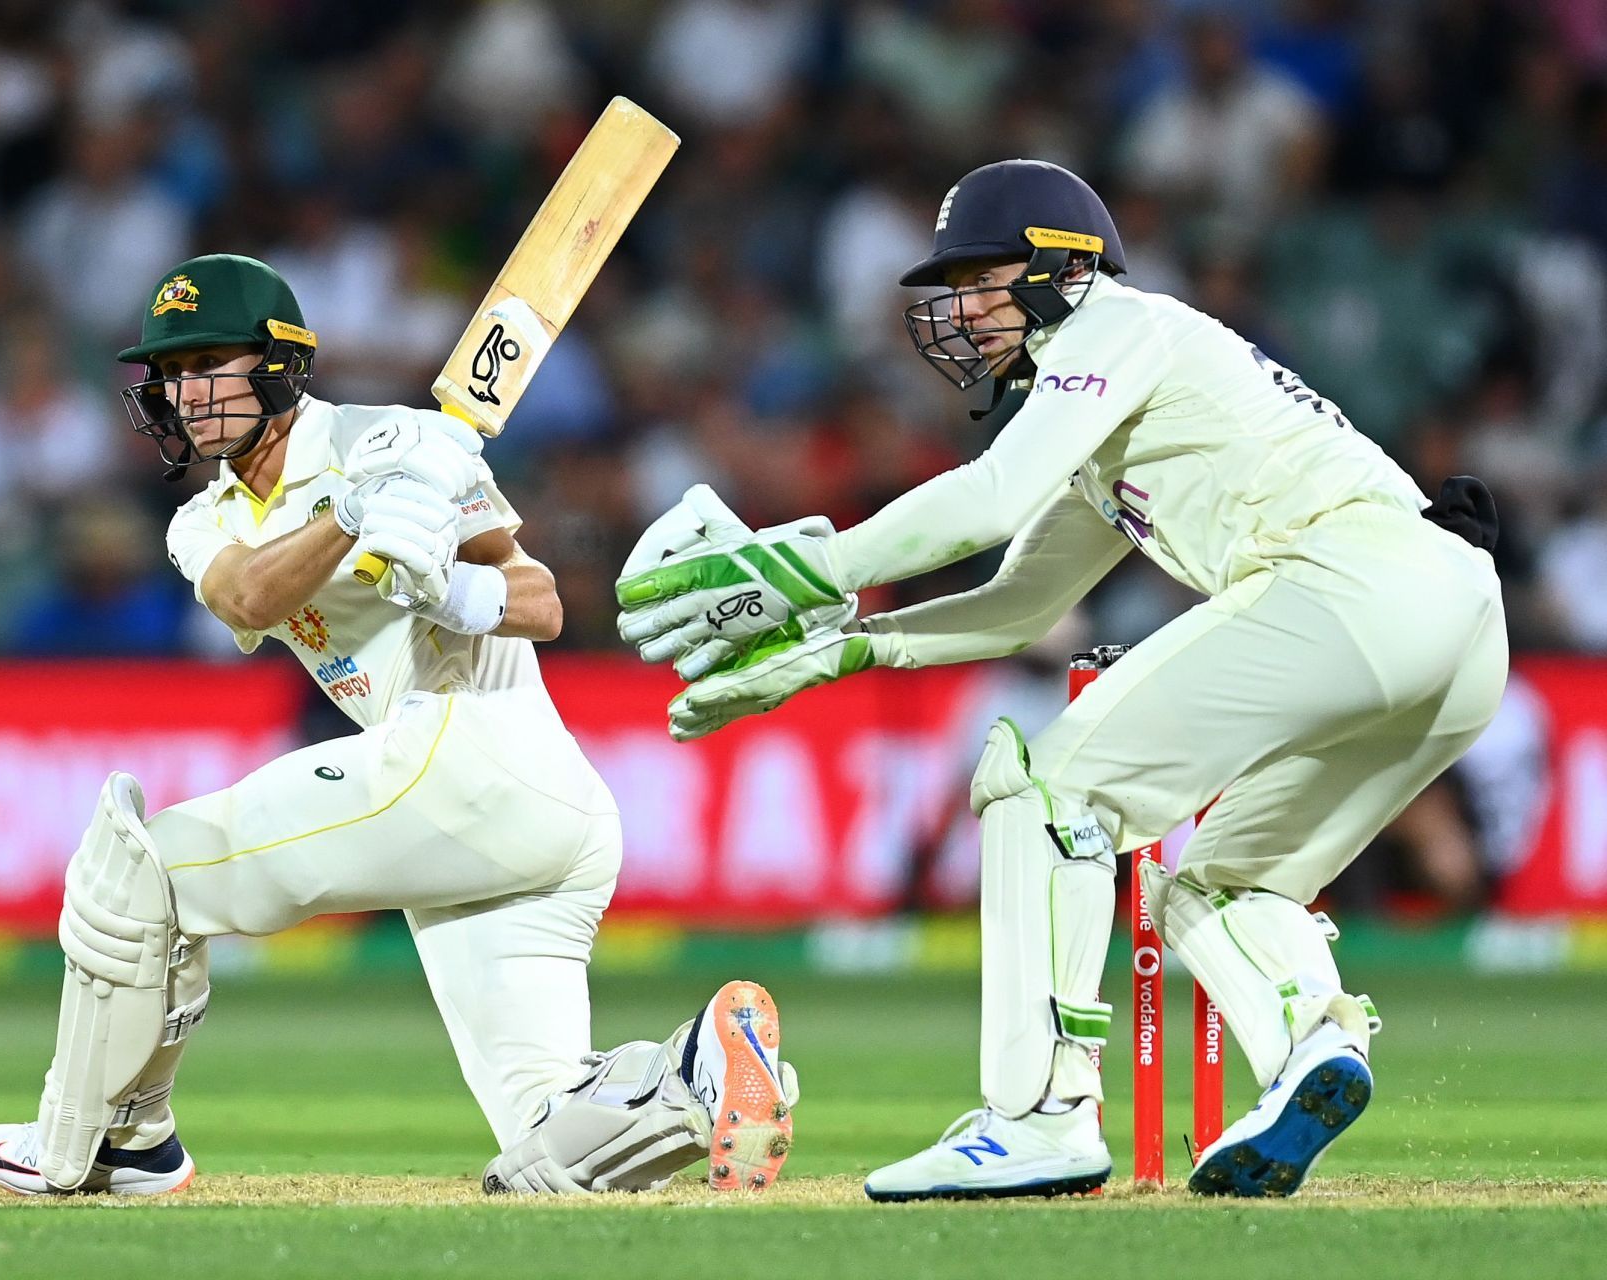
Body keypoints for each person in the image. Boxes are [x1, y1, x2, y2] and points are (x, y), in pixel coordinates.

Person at [615, 161, 1505, 1199]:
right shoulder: (1105, 412)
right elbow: (1018, 604)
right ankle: (1315, 1042)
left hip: (1352, 581)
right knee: (1220, 881)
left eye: (982, 277)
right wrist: (846, 646)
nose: (961, 308)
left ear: (1061, 265)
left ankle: (1038, 1113)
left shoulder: (1118, 326)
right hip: (1455, 627)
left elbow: (990, 498)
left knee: (1042, 792)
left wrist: (807, 566)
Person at [0, 254, 795, 1198]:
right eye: (169, 373)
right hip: (495, 811)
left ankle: (114, 1144)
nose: (183, 393)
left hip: (473, 752)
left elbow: (543, 604)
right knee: (544, 1142)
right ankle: (696, 1071)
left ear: (280, 365)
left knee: (140, 872)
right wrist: (354, 514)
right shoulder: (203, 520)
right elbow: (248, 594)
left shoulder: (398, 436)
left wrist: (449, 585)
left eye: (206, 365)